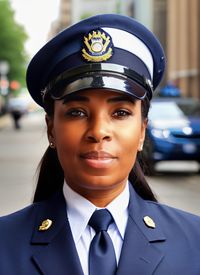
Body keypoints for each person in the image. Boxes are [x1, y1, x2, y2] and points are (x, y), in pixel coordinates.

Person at [0, 14, 200, 275]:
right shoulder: (5, 245)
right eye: (77, 112)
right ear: (51, 129)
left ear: (142, 131)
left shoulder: (194, 242)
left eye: (120, 113)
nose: (99, 132)